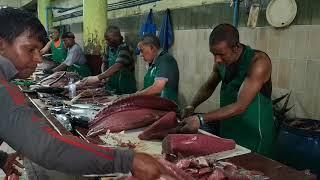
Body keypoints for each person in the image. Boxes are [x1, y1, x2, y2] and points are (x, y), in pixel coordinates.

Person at [0, 7, 169, 179]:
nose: (38, 58)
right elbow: (48, 148)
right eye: (30, 50)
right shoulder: (3, 91)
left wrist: (1, 158)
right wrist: (127, 160)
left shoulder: (157, 59)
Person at [178, 24, 276, 158]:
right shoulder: (221, 63)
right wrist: (191, 105)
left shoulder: (258, 63)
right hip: (229, 130)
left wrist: (200, 119)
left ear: (236, 48)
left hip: (254, 135)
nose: (217, 60)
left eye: (221, 54)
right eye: (214, 54)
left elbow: (240, 106)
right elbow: (209, 86)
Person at [81, 26, 137, 94]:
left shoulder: (125, 48)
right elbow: (104, 62)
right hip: (112, 86)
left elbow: (118, 66)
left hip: (126, 87)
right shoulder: (109, 48)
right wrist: (104, 76)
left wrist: (97, 78)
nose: (107, 42)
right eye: (106, 40)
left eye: (109, 39)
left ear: (117, 38)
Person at [135, 34, 179, 103]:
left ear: (152, 47)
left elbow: (157, 88)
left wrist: (136, 96)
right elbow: (150, 87)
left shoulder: (165, 60)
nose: (140, 54)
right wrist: (139, 92)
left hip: (165, 108)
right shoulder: (154, 63)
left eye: (142, 50)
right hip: (153, 106)